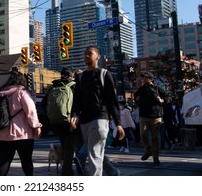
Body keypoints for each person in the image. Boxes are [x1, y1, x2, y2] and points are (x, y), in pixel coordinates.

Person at [70, 45, 125, 176]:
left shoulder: (105, 74)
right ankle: (112, 172)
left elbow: (112, 100)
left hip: (101, 117)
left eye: (89, 53)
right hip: (85, 121)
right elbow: (77, 99)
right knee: (94, 150)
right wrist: (75, 115)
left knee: (94, 153)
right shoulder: (80, 77)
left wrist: (118, 123)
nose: (86, 56)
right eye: (85, 53)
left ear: (98, 57)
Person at [0, 71, 42, 176]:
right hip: (22, 135)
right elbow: (31, 111)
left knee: (3, 161)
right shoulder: (22, 93)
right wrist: (36, 126)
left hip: (1, 134)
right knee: (26, 160)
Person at [43, 67, 77, 175]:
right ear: (71, 75)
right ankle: (67, 172)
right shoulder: (73, 86)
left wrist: (51, 115)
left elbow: (44, 103)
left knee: (64, 145)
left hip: (57, 122)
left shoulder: (54, 86)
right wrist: (74, 115)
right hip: (70, 121)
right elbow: (78, 103)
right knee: (69, 148)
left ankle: (66, 170)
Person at [134, 71, 167, 165]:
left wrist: (161, 100)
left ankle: (155, 157)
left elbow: (168, 97)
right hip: (143, 115)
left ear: (151, 79)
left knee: (155, 137)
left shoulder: (157, 89)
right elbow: (136, 99)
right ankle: (148, 150)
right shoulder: (140, 89)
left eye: (146, 78)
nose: (144, 79)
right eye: (143, 78)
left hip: (156, 115)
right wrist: (137, 100)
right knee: (143, 134)